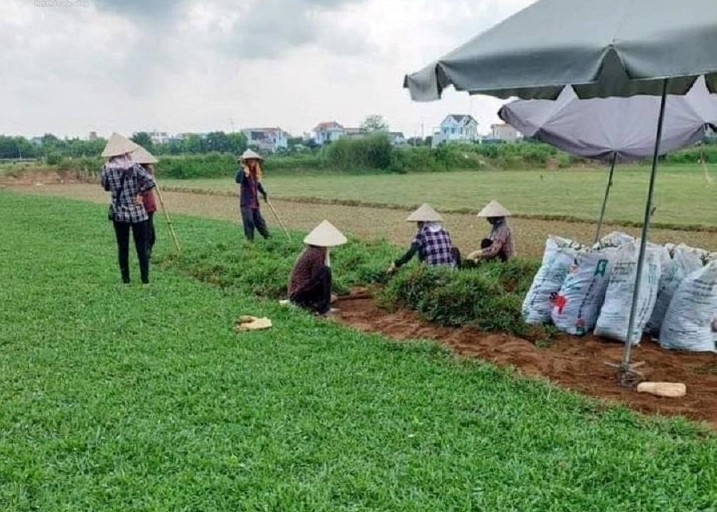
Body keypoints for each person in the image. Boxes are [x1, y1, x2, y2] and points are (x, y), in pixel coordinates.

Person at [100, 133, 156, 284]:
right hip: (138, 213)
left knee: (122, 247)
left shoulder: (106, 169)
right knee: (141, 247)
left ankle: (126, 280)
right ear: (125, 152)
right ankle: (145, 280)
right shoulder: (134, 167)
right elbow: (150, 181)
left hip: (119, 213)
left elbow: (105, 187)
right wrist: (140, 194)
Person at [287, 220, 347, 316]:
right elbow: (318, 280)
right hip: (298, 295)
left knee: (324, 272)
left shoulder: (312, 250)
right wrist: (326, 297)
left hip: (298, 293)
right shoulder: (316, 254)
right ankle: (323, 310)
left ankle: (321, 304)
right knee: (325, 271)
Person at [387, 203, 460, 274]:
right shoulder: (444, 231)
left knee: (419, 248)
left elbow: (411, 253)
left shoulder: (422, 233)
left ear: (423, 223)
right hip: (449, 271)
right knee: (455, 250)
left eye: (419, 222)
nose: (417, 225)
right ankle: (459, 271)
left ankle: (421, 267)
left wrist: (397, 263)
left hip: (431, 272)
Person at [235, 149, 270, 241]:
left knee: (260, 221)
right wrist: (242, 168)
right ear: (246, 161)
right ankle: (250, 242)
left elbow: (257, 185)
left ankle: (268, 238)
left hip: (254, 202)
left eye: (254, 160)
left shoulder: (255, 173)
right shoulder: (244, 172)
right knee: (249, 222)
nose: (252, 162)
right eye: (250, 160)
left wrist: (264, 193)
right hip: (246, 203)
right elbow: (237, 180)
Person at [132, 146, 158, 258]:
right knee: (146, 230)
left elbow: (150, 185)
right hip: (141, 204)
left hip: (146, 204)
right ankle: (145, 251)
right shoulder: (137, 172)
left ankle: (147, 250)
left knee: (149, 231)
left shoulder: (146, 172)